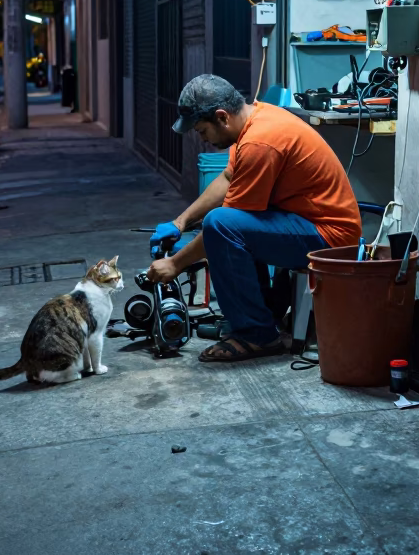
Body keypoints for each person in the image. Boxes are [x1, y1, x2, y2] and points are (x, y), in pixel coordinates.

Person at [147, 74, 362, 362]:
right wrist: (180, 222)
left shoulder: (260, 142)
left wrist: (174, 264)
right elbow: (227, 177)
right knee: (231, 222)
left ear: (222, 117)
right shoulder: (256, 117)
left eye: (202, 130)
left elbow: (225, 226)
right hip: (305, 220)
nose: (203, 139)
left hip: (330, 237)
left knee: (221, 224)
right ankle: (263, 315)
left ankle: (256, 335)